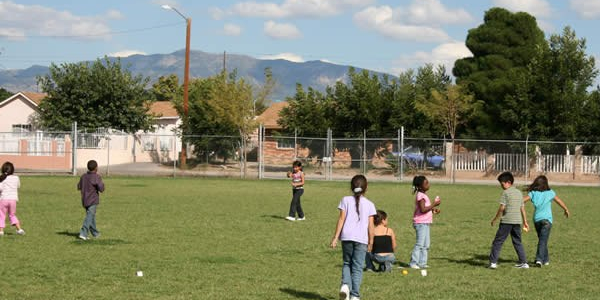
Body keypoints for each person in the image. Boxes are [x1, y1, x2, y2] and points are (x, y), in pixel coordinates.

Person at [330, 175, 376, 300]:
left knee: (346, 263)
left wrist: (335, 238)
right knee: (357, 268)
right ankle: (355, 295)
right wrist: (371, 241)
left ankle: (345, 285)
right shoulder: (370, 204)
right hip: (361, 239)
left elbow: (341, 219)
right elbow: (371, 226)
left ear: (351, 187)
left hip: (346, 237)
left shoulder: (345, 200)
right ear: (366, 188)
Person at [523, 175, 570, 267]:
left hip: (537, 220)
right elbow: (559, 201)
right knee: (543, 240)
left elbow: (522, 201)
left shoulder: (533, 193)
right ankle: (539, 260)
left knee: (542, 240)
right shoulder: (550, 193)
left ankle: (546, 260)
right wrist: (566, 209)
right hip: (547, 221)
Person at [488, 172, 529, 269]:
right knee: (517, 241)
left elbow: (502, 208)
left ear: (508, 182)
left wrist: (495, 219)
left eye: (502, 184)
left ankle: (493, 262)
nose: (501, 186)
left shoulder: (505, 193)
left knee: (498, 241)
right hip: (517, 221)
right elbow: (522, 208)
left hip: (506, 221)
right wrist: (525, 221)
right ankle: (524, 262)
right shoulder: (519, 193)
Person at [408, 175, 441, 269]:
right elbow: (422, 209)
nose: (428, 184)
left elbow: (426, 209)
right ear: (420, 186)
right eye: (426, 183)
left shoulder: (424, 195)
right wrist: (434, 203)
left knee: (426, 244)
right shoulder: (420, 196)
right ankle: (413, 263)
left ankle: (422, 263)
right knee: (420, 244)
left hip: (426, 223)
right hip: (420, 223)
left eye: (428, 182)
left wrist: (433, 210)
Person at [78, 160, 105, 240]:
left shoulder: (83, 176)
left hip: (85, 200)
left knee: (91, 216)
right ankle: (83, 233)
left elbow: (79, 186)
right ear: (96, 168)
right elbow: (101, 189)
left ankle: (95, 233)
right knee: (89, 216)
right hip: (93, 200)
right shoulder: (96, 177)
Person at [0, 162, 25, 236]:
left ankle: (1, 231)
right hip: (13, 200)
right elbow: (18, 186)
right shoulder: (16, 178)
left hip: (3, 199)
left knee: (1, 215)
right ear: (12, 170)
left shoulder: (1, 178)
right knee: (12, 215)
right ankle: (19, 229)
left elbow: (0, 188)